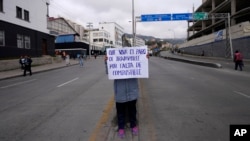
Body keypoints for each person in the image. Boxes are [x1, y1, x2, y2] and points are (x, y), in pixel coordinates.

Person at [104, 53, 149, 139]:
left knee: (133, 111)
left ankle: (133, 125)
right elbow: (108, 71)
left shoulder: (134, 62)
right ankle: (121, 128)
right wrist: (107, 62)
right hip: (120, 94)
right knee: (120, 113)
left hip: (132, 92)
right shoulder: (114, 62)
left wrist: (144, 59)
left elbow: (141, 68)